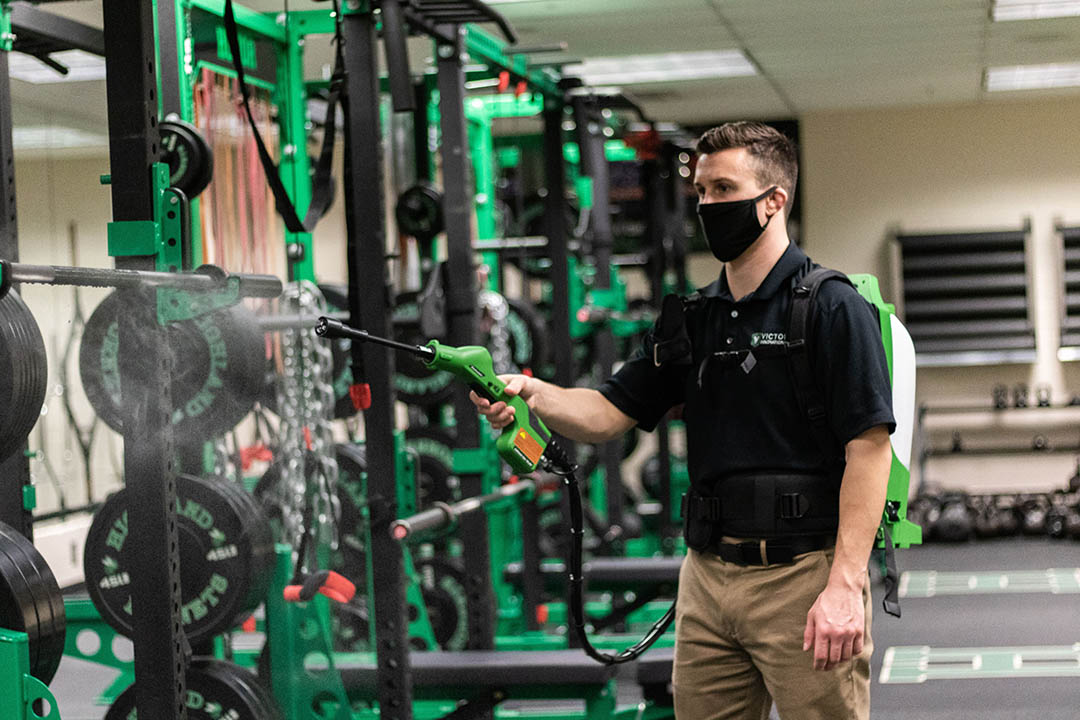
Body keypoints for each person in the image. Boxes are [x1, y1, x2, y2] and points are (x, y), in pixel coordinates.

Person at [471, 121, 895, 720]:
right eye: (700, 192)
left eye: (724, 189)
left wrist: (846, 586)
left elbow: (869, 449)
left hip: (802, 575)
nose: (707, 205)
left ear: (773, 201)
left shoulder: (832, 307)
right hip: (707, 578)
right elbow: (608, 412)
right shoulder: (693, 318)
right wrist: (532, 393)